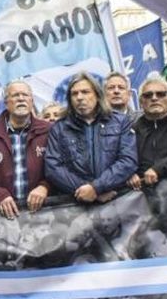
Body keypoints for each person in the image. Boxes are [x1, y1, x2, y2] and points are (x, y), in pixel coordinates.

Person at [45, 72, 137, 203]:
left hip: (117, 202)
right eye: (74, 93)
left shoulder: (120, 121)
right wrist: (87, 190)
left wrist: (96, 187)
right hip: (77, 207)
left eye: (85, 92)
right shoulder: (59, 128)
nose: (80, 97)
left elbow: (128, 160)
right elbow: (53, 168)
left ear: (97, 95)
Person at [0, 80, 51, 219]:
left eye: (25, 95)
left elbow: (60, 165)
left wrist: (45, 186)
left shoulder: (49, 131)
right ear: (6, 102)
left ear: (31, 101)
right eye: (15, 95)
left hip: (44, 214)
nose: (21, 98)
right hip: (2, 217)